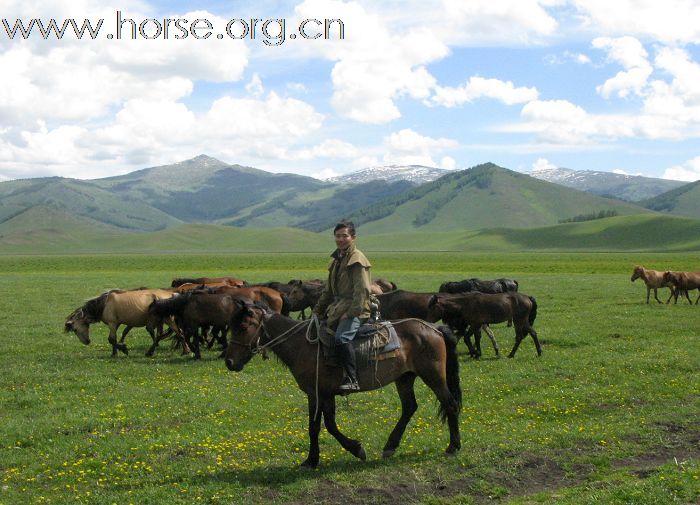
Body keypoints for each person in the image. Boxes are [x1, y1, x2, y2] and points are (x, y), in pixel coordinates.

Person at [313, 220, 372, 392]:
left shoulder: (357, 259)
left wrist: (352, 313)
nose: (341, 239)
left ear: (353, 237)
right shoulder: (337, 260)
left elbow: (362, 291)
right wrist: (316, 311)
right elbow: (328, 292)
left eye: (344, 236)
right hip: (338, 307)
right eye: (338, 236)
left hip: (357, 308)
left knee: (342, 337)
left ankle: (353, 379)